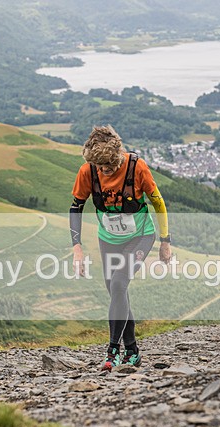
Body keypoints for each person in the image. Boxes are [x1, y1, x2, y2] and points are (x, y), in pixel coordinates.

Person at [70, 125, 171, 371]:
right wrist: (77, 248)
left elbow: (159, 204)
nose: (104, 170)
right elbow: (76, 207)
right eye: (99, 166)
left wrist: (165, 241)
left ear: (116, 157)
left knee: (118, 284)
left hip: (140, 237)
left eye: (108, 165)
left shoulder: (138, 168)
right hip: (108, 239)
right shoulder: (88, 171)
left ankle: (113, 351)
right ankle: (133, 351)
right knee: (117, 292)